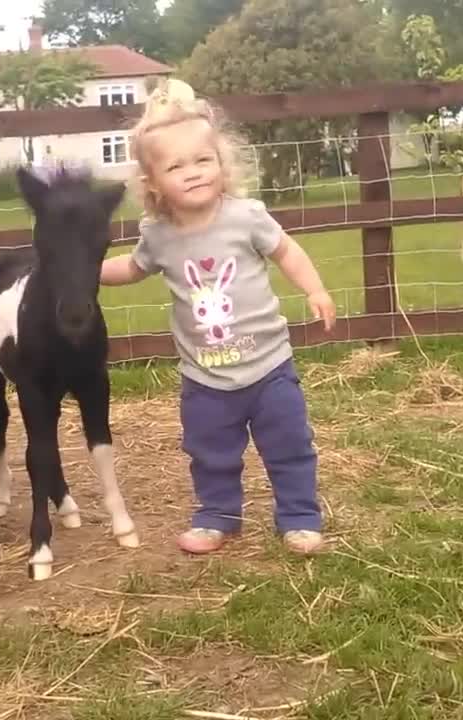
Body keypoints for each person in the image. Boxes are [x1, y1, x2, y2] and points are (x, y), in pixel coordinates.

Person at [100, 78, 337, 555]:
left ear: (221, 164)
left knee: (289, 445)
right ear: (153, 183)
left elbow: (287, 251)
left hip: (269, 367)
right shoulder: (159, 235)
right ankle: (218, 516)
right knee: (210, 453)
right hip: (204, 376)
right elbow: (132, 268)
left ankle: (299, 518)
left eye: (203, 160)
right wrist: (88, 270)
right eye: (176, 166)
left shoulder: (245, 216)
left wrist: (314, 289)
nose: (193, 172)